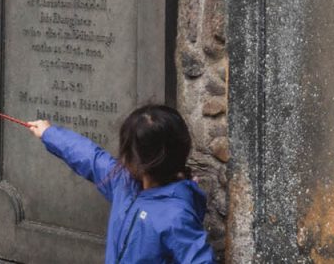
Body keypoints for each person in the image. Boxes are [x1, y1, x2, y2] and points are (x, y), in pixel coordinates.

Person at [29, 104, 216, 264]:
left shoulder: (176, 216)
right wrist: (50, 133)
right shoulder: (124, 182)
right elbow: (89, 157)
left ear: (141, 162)